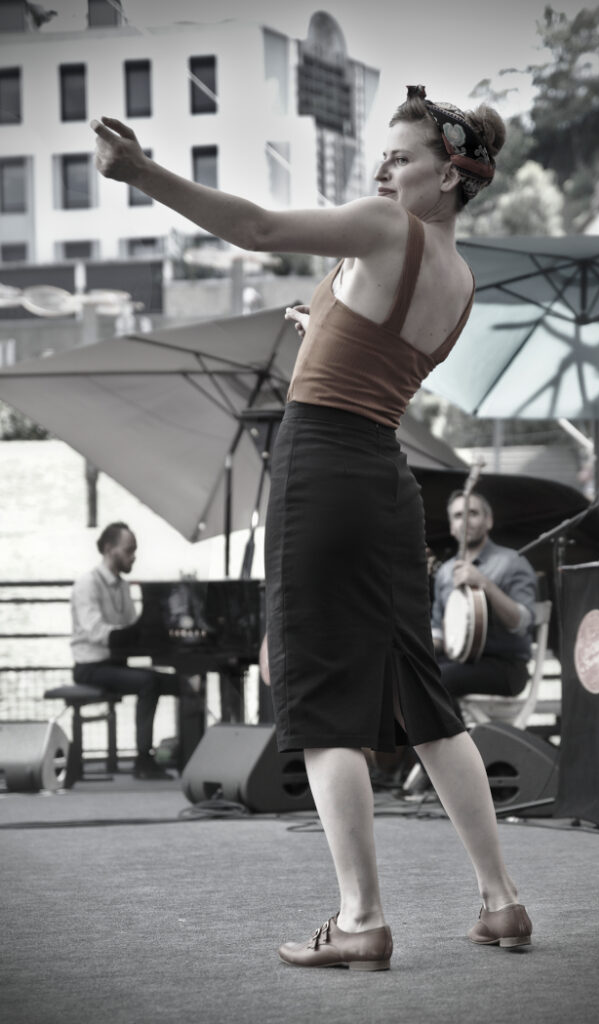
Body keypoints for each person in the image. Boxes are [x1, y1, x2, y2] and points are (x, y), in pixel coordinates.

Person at [90, 82, 533, 967]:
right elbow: (375, 351)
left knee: (323, 699)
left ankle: (361, 918)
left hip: (323, 465)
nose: (381, 170)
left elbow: (254, 228)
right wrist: (317, 321)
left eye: (400, 158)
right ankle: (500, 901)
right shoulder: (459, 279)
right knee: (425, 698)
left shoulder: (381, 227)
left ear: (448, 177)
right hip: (383, 478)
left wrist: (141, 172)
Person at [71, 521, 185, 780]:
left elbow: (133, 629)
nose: (133, 556)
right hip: (91, 667)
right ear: (109, 549)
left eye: (134, 550)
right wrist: (132, 636)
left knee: (181, 682)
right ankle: (143, 760)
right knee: (148, 683)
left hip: (115, 664)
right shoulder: (87, 584)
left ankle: (188, 754)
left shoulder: (123, 586)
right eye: (128, 550)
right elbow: (95, 632)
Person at [431, 490, 538, 720]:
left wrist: (484, 583)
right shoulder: (446, 572)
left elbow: (522, 623)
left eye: (473, 513)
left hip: (505, 667)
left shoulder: (512, 563)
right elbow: (439, 632)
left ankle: (456, 751)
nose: (465, 520)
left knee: (436, 680)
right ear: (451, 526)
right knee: (405, 673)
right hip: (457, 663)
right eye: (458, 515)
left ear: (488, 521)